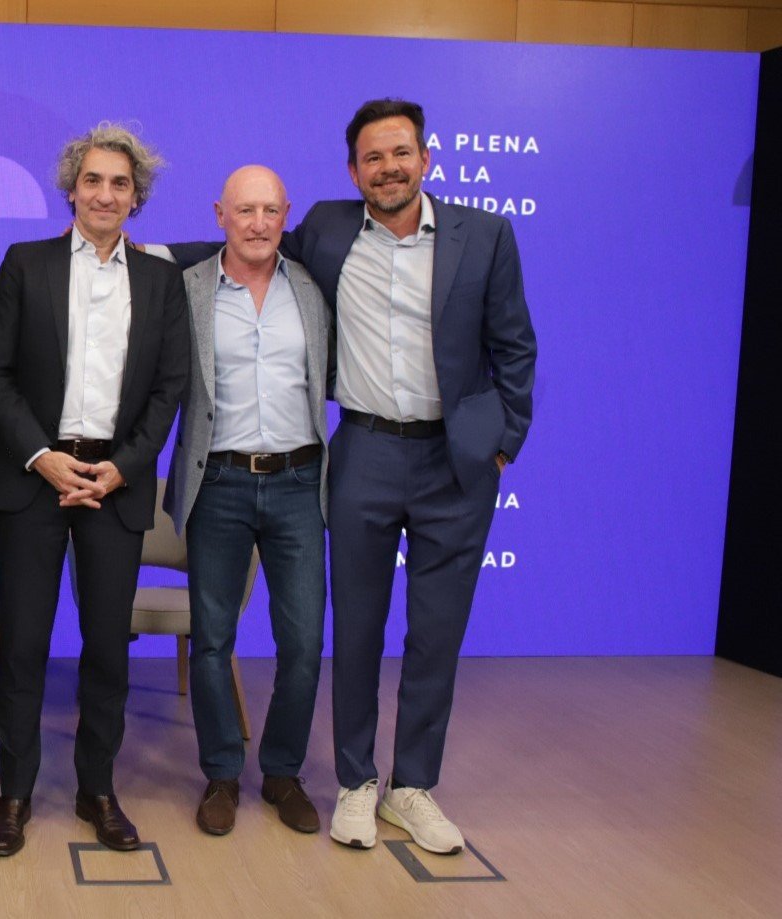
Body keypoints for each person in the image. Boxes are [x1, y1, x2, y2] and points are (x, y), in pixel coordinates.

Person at [290, 99, 536, 854]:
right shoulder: (327, 230)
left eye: (400, 153)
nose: (388, 168)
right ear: (353, 170)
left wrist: (502, 444)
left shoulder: (485, 234)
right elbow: (243, 242)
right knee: (357, 628)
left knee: (436, 634)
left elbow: (515, 347)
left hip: (454, 463)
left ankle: (413, 786)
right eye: (372, 157)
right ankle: (358, 782)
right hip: (362, 449)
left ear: (425, 158)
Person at [0, 123, 188, 857]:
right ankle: (15, 792)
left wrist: (123, 465)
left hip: (115, 484)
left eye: (120, 183)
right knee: (25, 646)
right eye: (93, 180)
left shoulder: (161, 281)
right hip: (35, 481)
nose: (105, 193)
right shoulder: (25, 264)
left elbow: (171, 387)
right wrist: (42, 455)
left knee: (107, 649)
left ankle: (98, 789)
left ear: (137, 197)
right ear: (72, 188)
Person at [163, 166, 332, 838]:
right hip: (220, 484)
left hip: (299, 483)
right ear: (219, 215)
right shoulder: (187, 288)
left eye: (270, 209)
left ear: (286, 213)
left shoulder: (316, 290)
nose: (258, 222)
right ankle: (221, 773)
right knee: (212, 641)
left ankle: (284, 771)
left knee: (304, 641)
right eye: (244, 210)